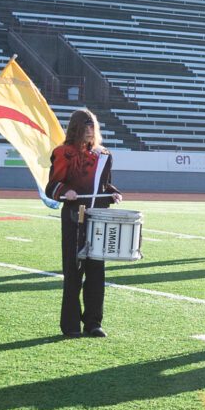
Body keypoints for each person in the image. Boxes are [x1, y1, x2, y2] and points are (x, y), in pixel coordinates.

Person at [46, 110, 117, 339]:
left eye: (92, 126)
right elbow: (53, 186)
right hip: (74, 218)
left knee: (97, 272)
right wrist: (67, 192)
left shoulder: (104, 155)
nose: (90, 130)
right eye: (85, 126)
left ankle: (93, 323)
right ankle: (71, 325)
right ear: (76, 128)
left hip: (98, 218)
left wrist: (113, 194)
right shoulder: (63, 153)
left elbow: (104, 186)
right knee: (74, 271)